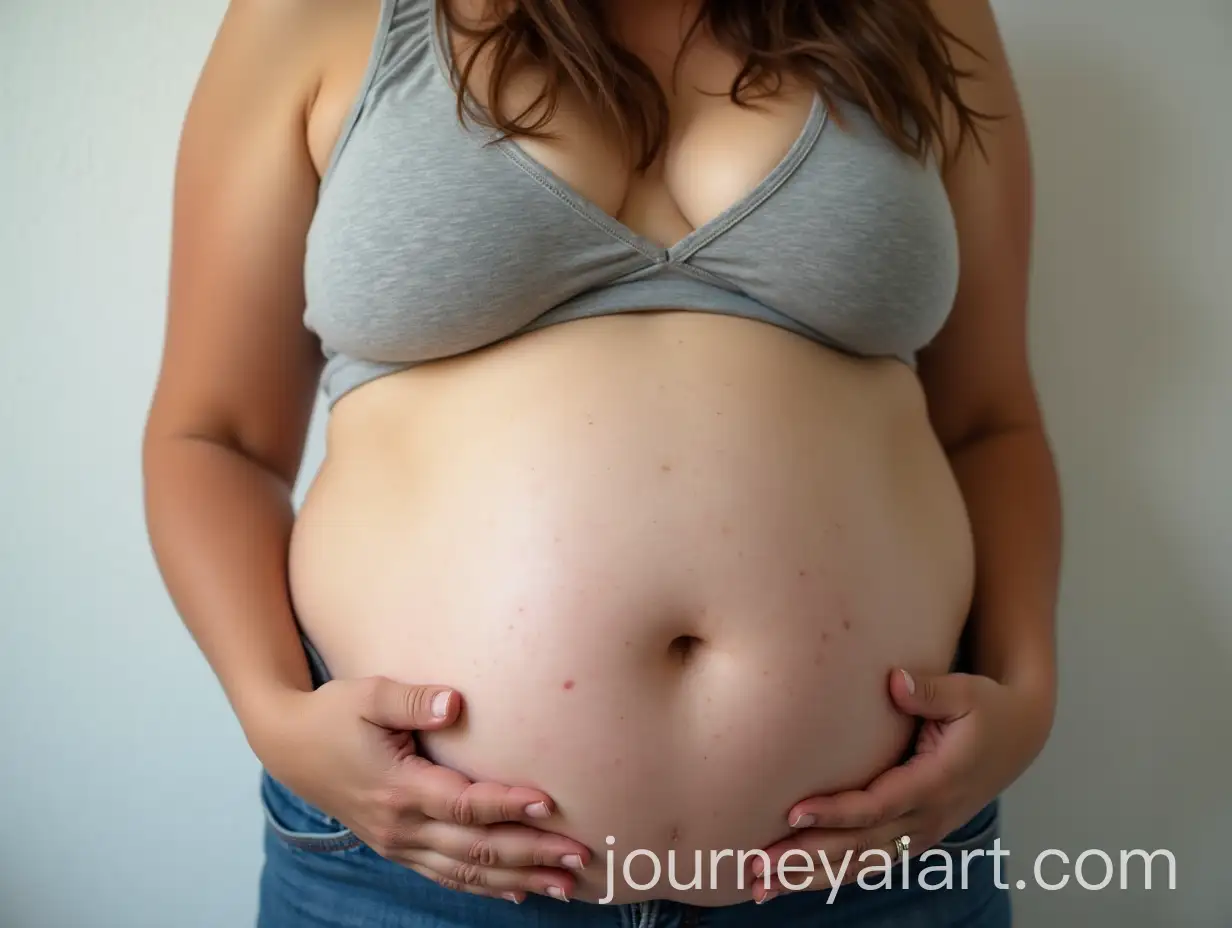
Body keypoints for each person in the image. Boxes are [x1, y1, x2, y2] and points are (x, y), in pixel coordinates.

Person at [142, 0, 1061, 924]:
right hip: (418, 868)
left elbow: (989, 420)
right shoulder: (310, 16)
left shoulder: (927, 14)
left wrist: (1026, 697)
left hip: (875, 865)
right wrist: (276, 714)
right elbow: (215, 434)